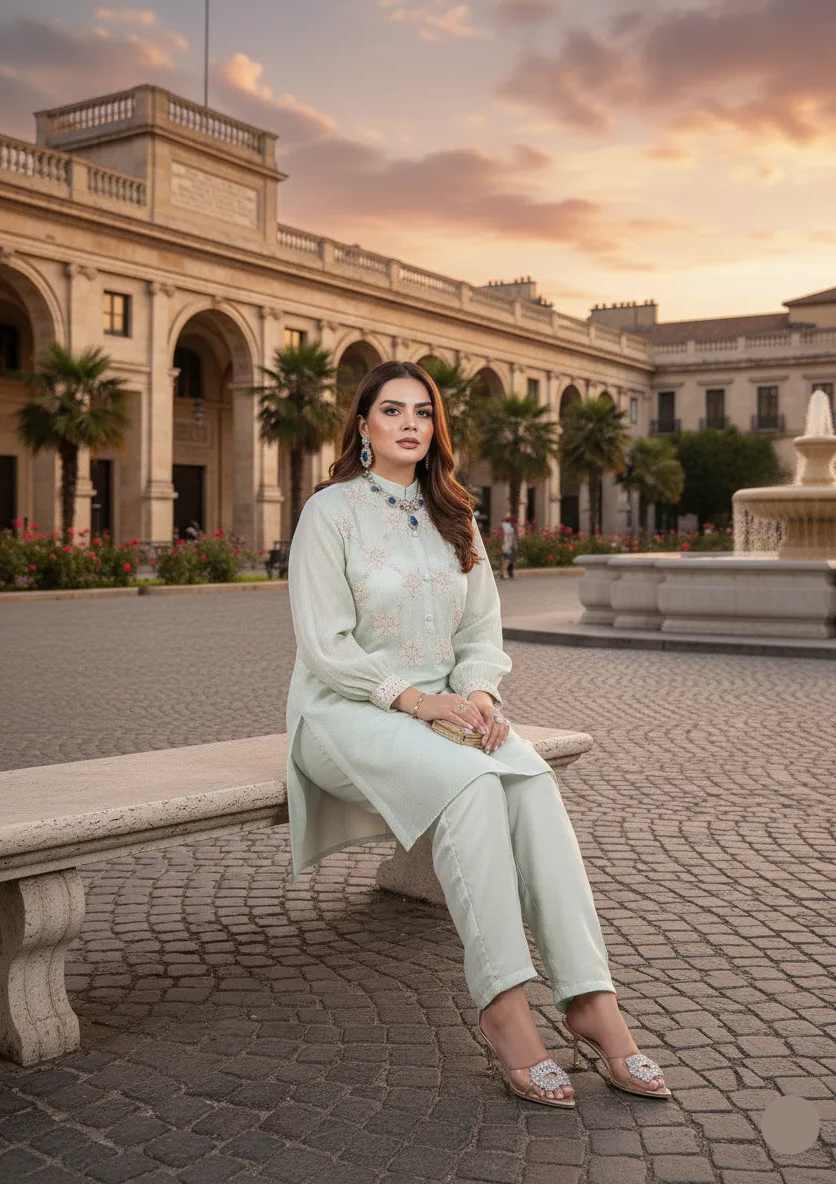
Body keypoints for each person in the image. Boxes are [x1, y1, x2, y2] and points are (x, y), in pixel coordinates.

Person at [285, 360, 670, 1107]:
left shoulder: (454, 513)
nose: (408, 424)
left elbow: (481, 631)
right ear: (362, 426)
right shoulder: (328, 512)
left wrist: (482, 693)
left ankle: (590, 1001)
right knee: (470, 782)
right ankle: (503, 1008)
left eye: (422, 413)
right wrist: (421, 703)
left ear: (436, 429)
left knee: (527, 777)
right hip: (344, 711)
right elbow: (324, 647)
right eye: (391, 410)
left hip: (450, 710)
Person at [499, 513, 517, 580]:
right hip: (507, 545)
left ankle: (508, 572)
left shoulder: (507, 526)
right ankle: (503, 573)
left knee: (508, 559)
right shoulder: (506, 526)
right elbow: (506, 537)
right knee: (507, 559)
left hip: (508, 545)